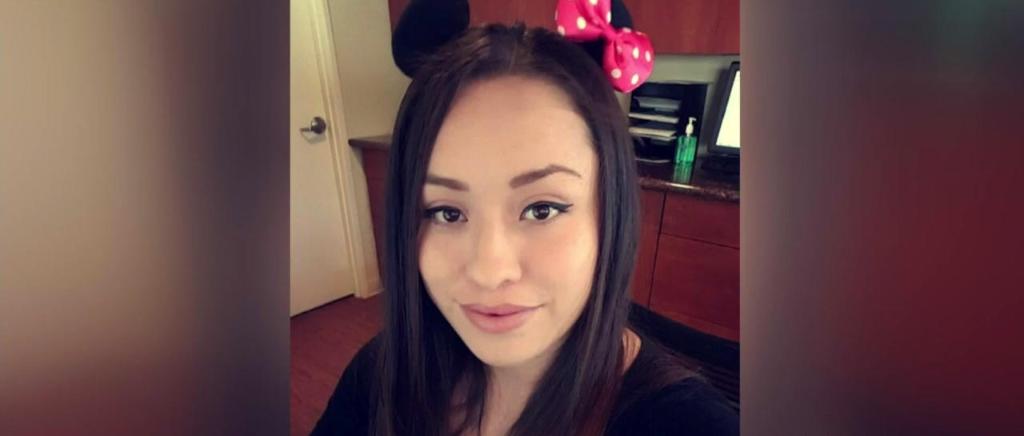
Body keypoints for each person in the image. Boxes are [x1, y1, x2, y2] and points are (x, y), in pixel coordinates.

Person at [312, 0, 738, 434]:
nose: (489, 271)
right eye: (446, 212)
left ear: (611, 210)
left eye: (541, 209)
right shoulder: (383, 374)